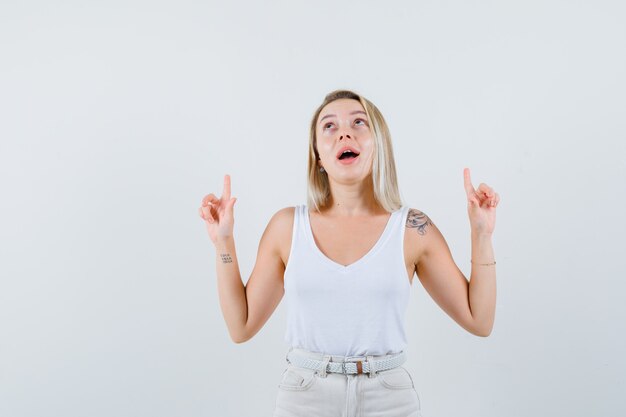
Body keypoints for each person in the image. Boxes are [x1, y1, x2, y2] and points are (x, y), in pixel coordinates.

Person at [198, 89, 499, 417]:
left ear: (378, 143)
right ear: (317, 155)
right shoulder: (287, 227)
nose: (344, 132)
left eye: (359, 122)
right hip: (305, 397)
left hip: (388, 398)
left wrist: (481, 234)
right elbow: (240, 327)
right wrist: (223, 242)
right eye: (329, 126)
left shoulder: (412, 228)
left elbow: (479, 320)